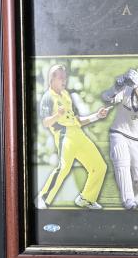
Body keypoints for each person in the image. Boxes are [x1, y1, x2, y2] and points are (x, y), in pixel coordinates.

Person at [36, 64, 110, 210]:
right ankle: (42, 198)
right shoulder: (47, 97)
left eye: (65, 77)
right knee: (63, 168)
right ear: (52, 79)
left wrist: (97, 116)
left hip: (79, 134)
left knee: (100, 166)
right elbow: (45, 122)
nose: (64, 80)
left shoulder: (66, 95)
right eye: (61, 78)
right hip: (65, 135)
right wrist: (57, 115)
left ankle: (86, 199)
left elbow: (77, 120)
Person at [101, 69, 138, 210]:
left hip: (137, 140)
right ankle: (127, 199)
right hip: (119, 133)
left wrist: (135, 86)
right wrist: (117, 86)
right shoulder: (127, 90)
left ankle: (135, 195)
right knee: (122, 163)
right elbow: (106, 97)